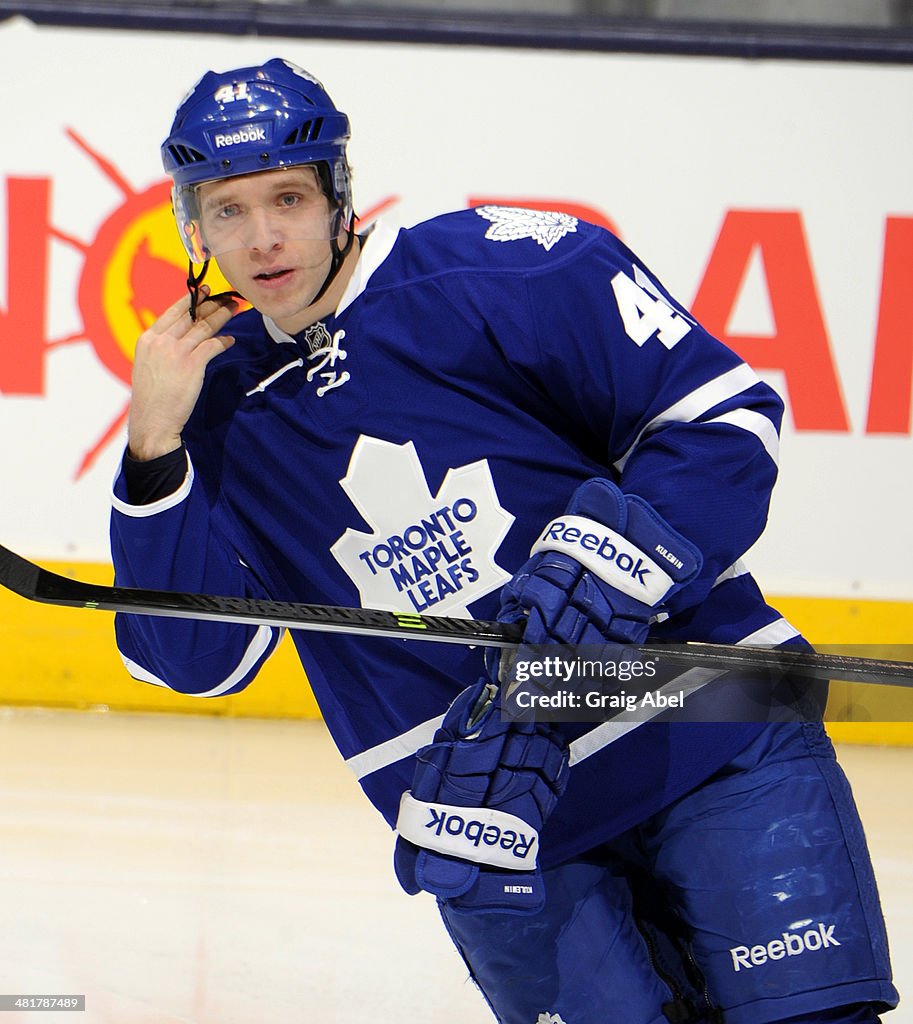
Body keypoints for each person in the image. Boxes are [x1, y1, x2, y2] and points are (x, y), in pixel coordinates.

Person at [110, 57, 897, 1024]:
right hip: (493, 821)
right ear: (192, 227)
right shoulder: (213, 403)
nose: (264, 237)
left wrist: (607, 563)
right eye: (227, 211)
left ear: (338, 194)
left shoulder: (511, 267)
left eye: (287, 198)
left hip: (705, 727)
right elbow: (195, 662)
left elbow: (722, 424)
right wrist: (152, 453)